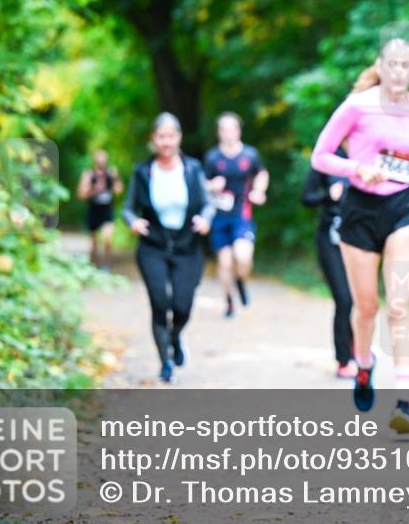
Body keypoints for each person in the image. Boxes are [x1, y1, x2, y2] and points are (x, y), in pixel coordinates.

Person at [311, 38, 409, 433]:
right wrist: (355, 169)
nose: (399, 71)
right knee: (365, 308)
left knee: (398, 306)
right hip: (360, 211)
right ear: (380, 67)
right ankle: (364, 365)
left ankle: (405, 401)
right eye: (392, 64)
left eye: (406, 65)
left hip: (402, 209)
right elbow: (321, 156)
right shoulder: (357, 106)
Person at [123, 113, 215, 384]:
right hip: (153, 245)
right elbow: (128, 208)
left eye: (171, 136)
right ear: (153, 139)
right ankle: (165, 362)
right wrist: (133, 222)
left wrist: (206, 220)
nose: (166, 142)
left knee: (182, 306)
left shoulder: (192, 169)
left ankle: (175, 337)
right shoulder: (143, 171)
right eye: (161, 137)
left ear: (178, 138)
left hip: (188, 244)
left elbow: (208, 203)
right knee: (160, 303)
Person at [204, 112, 269, 317]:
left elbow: (261, 173)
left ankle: (240, 280)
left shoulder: (249, 155)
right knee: (224, 263)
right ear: (218, 133)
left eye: (232, 128)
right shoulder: (212, 157)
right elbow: (200, 185)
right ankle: (229, 302)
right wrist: (211, 186)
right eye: (223, 129)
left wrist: (259, 190)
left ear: (238, 131)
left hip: (242, 214)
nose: (228, 133)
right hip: (219, 217)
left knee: (242, 257)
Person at [301, 151, 355, 379]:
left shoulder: (369, 155)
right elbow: (306, 197)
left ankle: (357, 349)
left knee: (362, 300)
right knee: (344, 299)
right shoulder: (328, 158)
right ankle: (343, 360)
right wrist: (328, 197)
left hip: (360, 239)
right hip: (330, 240)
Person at [77, 150, 123, 269]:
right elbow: (81, 195)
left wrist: (114, 179)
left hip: (107, 209)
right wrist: (94, 190)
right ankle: (93, 265)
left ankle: (106, 265)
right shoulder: (88, 174)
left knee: (108, 238)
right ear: (95, 160)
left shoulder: (111, 173)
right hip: (93, 209)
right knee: (94, 242)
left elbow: (119, 190)